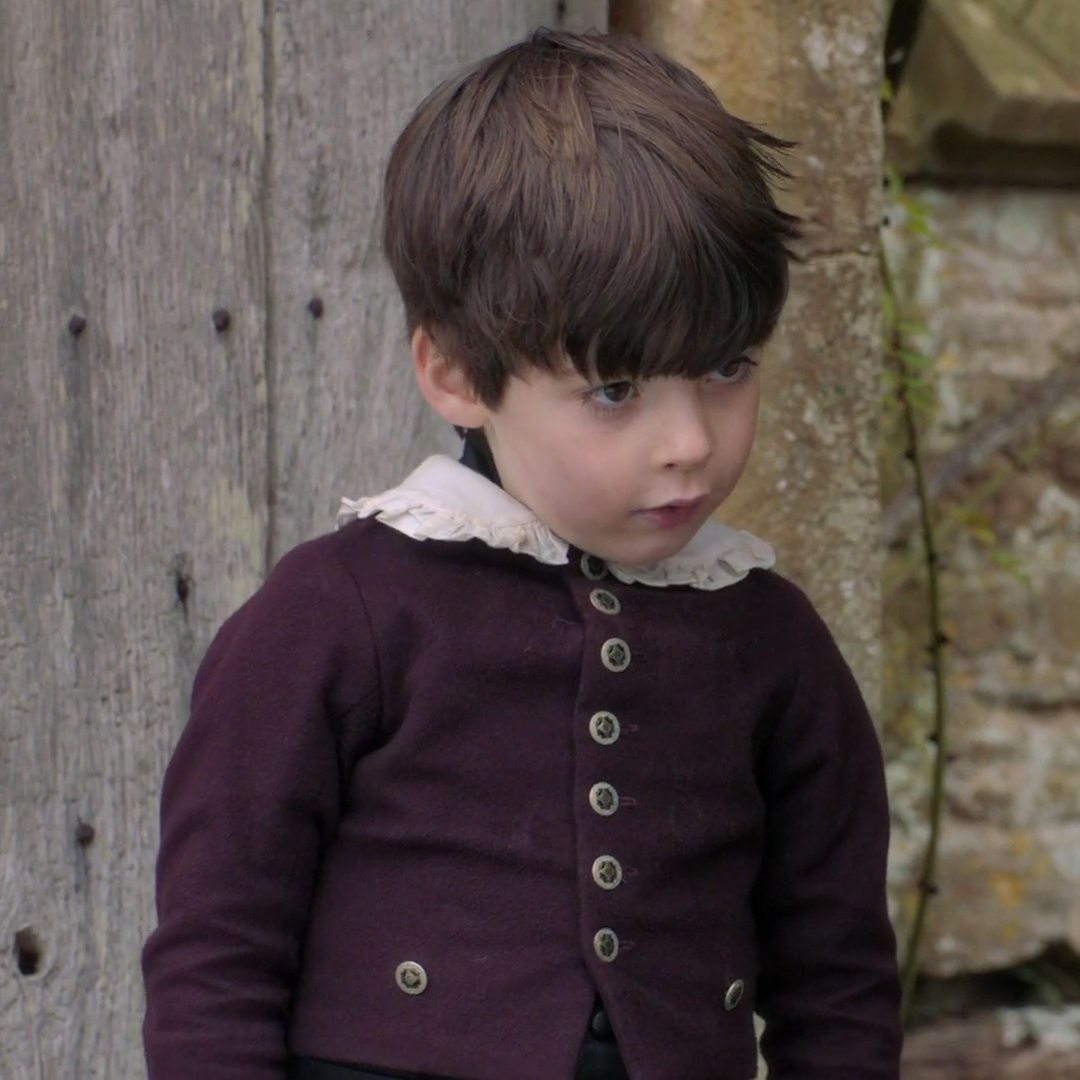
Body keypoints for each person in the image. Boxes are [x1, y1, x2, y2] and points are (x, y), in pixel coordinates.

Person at [142, 28, 902, 1080]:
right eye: (616, 389)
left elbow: (840, 979)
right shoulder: (336, 614)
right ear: (455, 374)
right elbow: (216, 953)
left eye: (727, 368)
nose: (690, 442)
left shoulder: (772, 643)